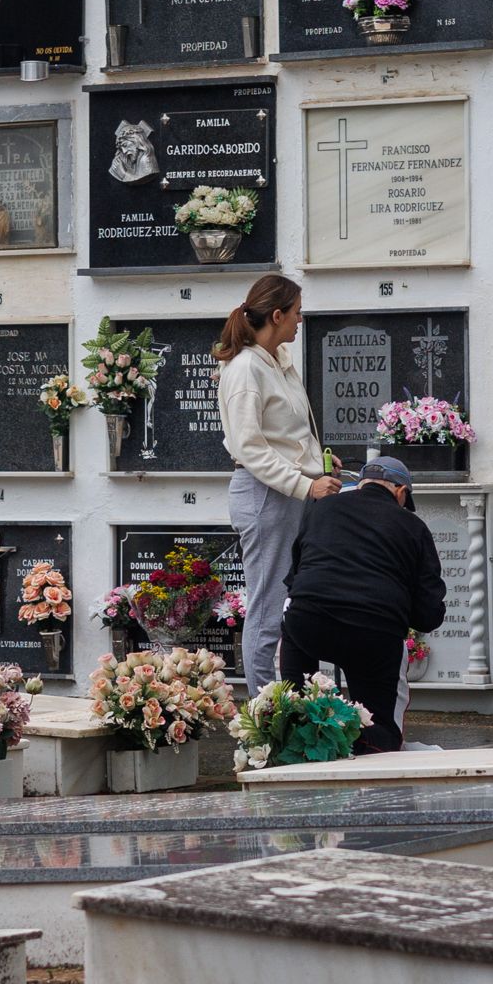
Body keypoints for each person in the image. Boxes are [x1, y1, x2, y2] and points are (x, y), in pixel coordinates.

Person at [216, 275, 339, 690]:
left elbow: (287, 432)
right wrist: (306, 485)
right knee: (268, 609)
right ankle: (261, 709)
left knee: (294, 605)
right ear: (276, 315)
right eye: (297, 312)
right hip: (265, 495)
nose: (301, 320)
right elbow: (250, 448)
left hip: (286, 492)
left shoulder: (277, 361)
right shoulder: (246, 369)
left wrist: (317, 463)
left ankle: (294, 698)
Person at [280, 457, 446, 753]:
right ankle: (371, 745)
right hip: (373, 632)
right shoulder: (413, 526)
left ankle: (295, 726)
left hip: (309, 622)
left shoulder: (323, 508)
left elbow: (295, 579)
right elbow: (428, 615)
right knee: (379, 725)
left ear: (361, 485)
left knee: (294, 620)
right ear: (400, 491)